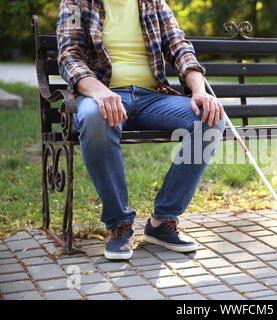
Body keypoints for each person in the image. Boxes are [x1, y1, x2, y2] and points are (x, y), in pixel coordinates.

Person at [56, 0, 225, 260]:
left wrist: (200, 91)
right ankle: (120, 224)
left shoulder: (153, 3)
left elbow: (181, 48)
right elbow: (70, 55)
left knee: (210, 119)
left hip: (152, 97)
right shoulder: (77, 3)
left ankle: (162, 221)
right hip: (102, 93)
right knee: (93, 119)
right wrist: (101, 92)